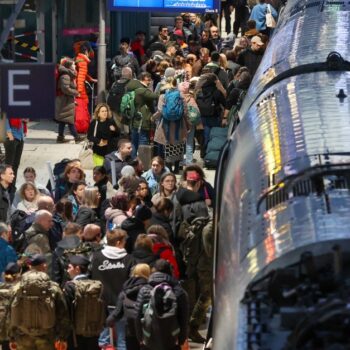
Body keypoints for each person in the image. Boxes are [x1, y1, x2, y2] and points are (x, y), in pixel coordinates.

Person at [8, 254, 70, 350]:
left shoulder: (17, 287)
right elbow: (63, 314)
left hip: (23, 337)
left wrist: (11, 337)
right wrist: (62, 337)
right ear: (44, 266)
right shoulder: (53, 287)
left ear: (29, 266)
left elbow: (10, 313)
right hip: (47, 337)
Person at [91, 228, 135, 350]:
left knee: (102, 341)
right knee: (123, 340)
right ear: (118, 242)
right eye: (124, 241)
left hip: (101, 302)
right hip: (122, 303)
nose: (125, 243)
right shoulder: (129, 259)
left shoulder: (96, 257)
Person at [134, 259, 189, 350]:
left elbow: (137, 316)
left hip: (149, 338)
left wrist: (140, 338)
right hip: (172, 339)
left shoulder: (144, 290)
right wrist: (181, 340)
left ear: (153, 270)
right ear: (170, 271)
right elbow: (184, 318)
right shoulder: (179, 291)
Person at [106, 263, 151, 350]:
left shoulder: (125, 290)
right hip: (148, 330)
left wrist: (108, 322)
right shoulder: (151, 289)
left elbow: (117, 312)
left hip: (131, 330)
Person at [63, 255, 104, 350]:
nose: (67, 270)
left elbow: (65, 311)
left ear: (77, 269)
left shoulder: (70, 286)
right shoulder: (97, 285)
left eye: (69, 267)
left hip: (74, 335)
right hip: (93, 331)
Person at [125, 72, 159, 158]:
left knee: (134, 142)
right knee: (143, 142)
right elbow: (155, 96)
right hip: (143, 121)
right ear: (144, 79)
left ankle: (133, 162)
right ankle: (142, 164)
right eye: (149, 80)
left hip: (134, 120)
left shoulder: (132, 88)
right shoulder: (143, 90)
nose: (150, 82)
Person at [55, 57, 83, 144]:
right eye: (73, 64)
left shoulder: (67, 74)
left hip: (65, 100)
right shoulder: (66, 76)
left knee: (63, 119)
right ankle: (76, 137)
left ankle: (60, 137)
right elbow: (65, 89)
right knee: (70, 120)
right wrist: (76, 93)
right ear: (69, 66)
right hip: (65, 100)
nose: (75, 65)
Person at [75, 43, 97, 134]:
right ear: (86, 51)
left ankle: (79, 127)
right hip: (80, 90)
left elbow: (82, 73)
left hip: (77, 87)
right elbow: (80, 77)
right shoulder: (83, 62)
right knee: (82, 108)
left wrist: (90, 79)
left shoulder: (78, 59)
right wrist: (79, 91)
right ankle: (81, 128)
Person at [52, 222, 83, 286]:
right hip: (81, 286)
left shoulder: (58, 250)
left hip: (66, 287)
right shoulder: (83, 248)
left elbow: (56, 276)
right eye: (80, 233)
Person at [24, 210, 53, 274]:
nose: (52, 224)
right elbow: (47, 260)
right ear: (40, 221)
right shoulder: (40, 238)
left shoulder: (29, 232)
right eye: (49, 221)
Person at [4, 118, 26, 196]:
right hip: (11, 136)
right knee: (9, 165)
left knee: (15, 165)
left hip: (20, 137)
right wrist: (10, 135)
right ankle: (6, 188)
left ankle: (12, 187)